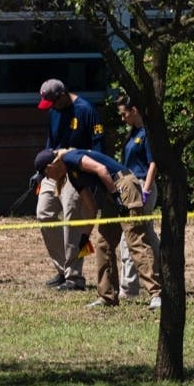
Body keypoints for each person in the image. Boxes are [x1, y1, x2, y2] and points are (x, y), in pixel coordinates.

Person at [34, 147, 162, 309]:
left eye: (46, 174)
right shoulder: (72, 176)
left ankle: (157, 294)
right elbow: (91, 208)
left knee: (134, 240)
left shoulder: (71, 158)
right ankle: (107, 297)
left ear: (50, 167)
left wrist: (117, 198)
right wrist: (85, 237)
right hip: (112, 192)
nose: (48, 178)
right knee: (103, 243)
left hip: (123, 185)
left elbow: (101, 170)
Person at [34, 79, 105, 292]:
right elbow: (50, 143)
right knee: (44, 214)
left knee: (72, 222)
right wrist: (40, 172)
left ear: (63, 95)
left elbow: (98, 148)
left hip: (76, 171)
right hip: (53, 169)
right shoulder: (53, 111)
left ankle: (74, 278)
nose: (52, 108)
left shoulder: (86, 111)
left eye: (53, 103)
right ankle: (62, 268)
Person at [115, 95, 161, 301]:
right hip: (129, 185)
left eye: (124, 114)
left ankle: (129, 287)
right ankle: (163, 274)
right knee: (148, 235)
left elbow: (153, 163)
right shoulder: (132, 134)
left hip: (141, 185)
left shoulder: (148, 134)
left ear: (135, 110)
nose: (122, 118)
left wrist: (146, 190)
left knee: (131, 235)